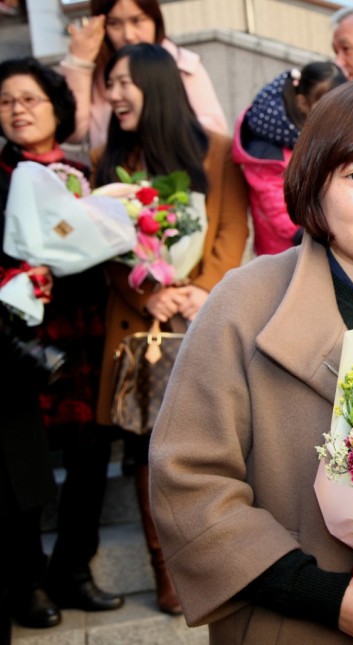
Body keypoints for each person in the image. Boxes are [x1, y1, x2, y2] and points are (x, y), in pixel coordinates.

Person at [148, 79, 353, 644]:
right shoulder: (244, 306)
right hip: (287, 622)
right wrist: (323, 595)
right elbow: (188, 480)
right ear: (314, 186)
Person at [90, 42, 249, 615]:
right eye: (110, 84)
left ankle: (219, 557)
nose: (114, 95)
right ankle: (167, 570)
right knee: (147, 451)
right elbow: (103, 245)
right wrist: (148, 290)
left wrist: (200, 288)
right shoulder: (108, 158)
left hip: (204, 320)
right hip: (143, 328)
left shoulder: (215, 150)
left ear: (155, 85)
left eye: (124, 83)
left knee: (216, 442)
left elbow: (232, 228)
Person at [0, 56, 122, 632]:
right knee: (19, 466)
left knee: (91, 454)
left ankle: (73, 568)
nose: (17, 110)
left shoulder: (80, 173)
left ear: (57, 108)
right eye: (6, 102)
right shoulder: (2, 175)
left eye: (29, 99)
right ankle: (23, 582)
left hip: (85, 328)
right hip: (17, 339)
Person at [60, 0, 227, 151]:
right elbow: (73, 132)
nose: (128, 35)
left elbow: (215, 133)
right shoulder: (97, 72)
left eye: (137, 20)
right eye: (114, 23)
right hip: (114, 172)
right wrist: (79, 63)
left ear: (155, 19)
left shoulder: (182, 64)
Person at [233, 61, 346, 256]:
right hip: (285, 250)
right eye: (327, 106)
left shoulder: (314, 131)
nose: (335, 114)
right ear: (302, 103)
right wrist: (304, 234)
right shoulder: (268, 147)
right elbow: (275, 206)